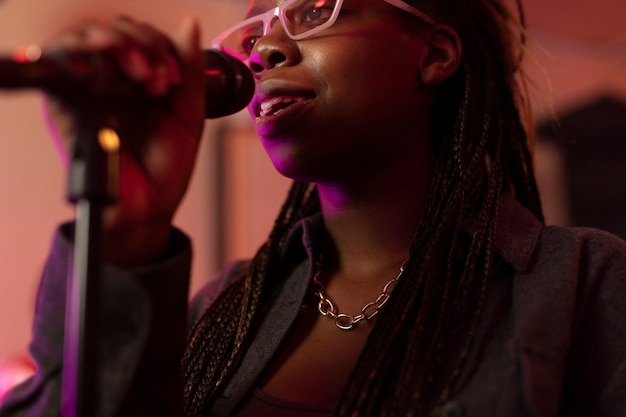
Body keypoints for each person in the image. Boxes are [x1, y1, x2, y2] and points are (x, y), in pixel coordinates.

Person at [1, 0, 625, 415]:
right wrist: (126, 234)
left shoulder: (586, 283)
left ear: (434, 55)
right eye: (257, 27)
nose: (266, 49)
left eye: (314, 10)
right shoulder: (221, 308)